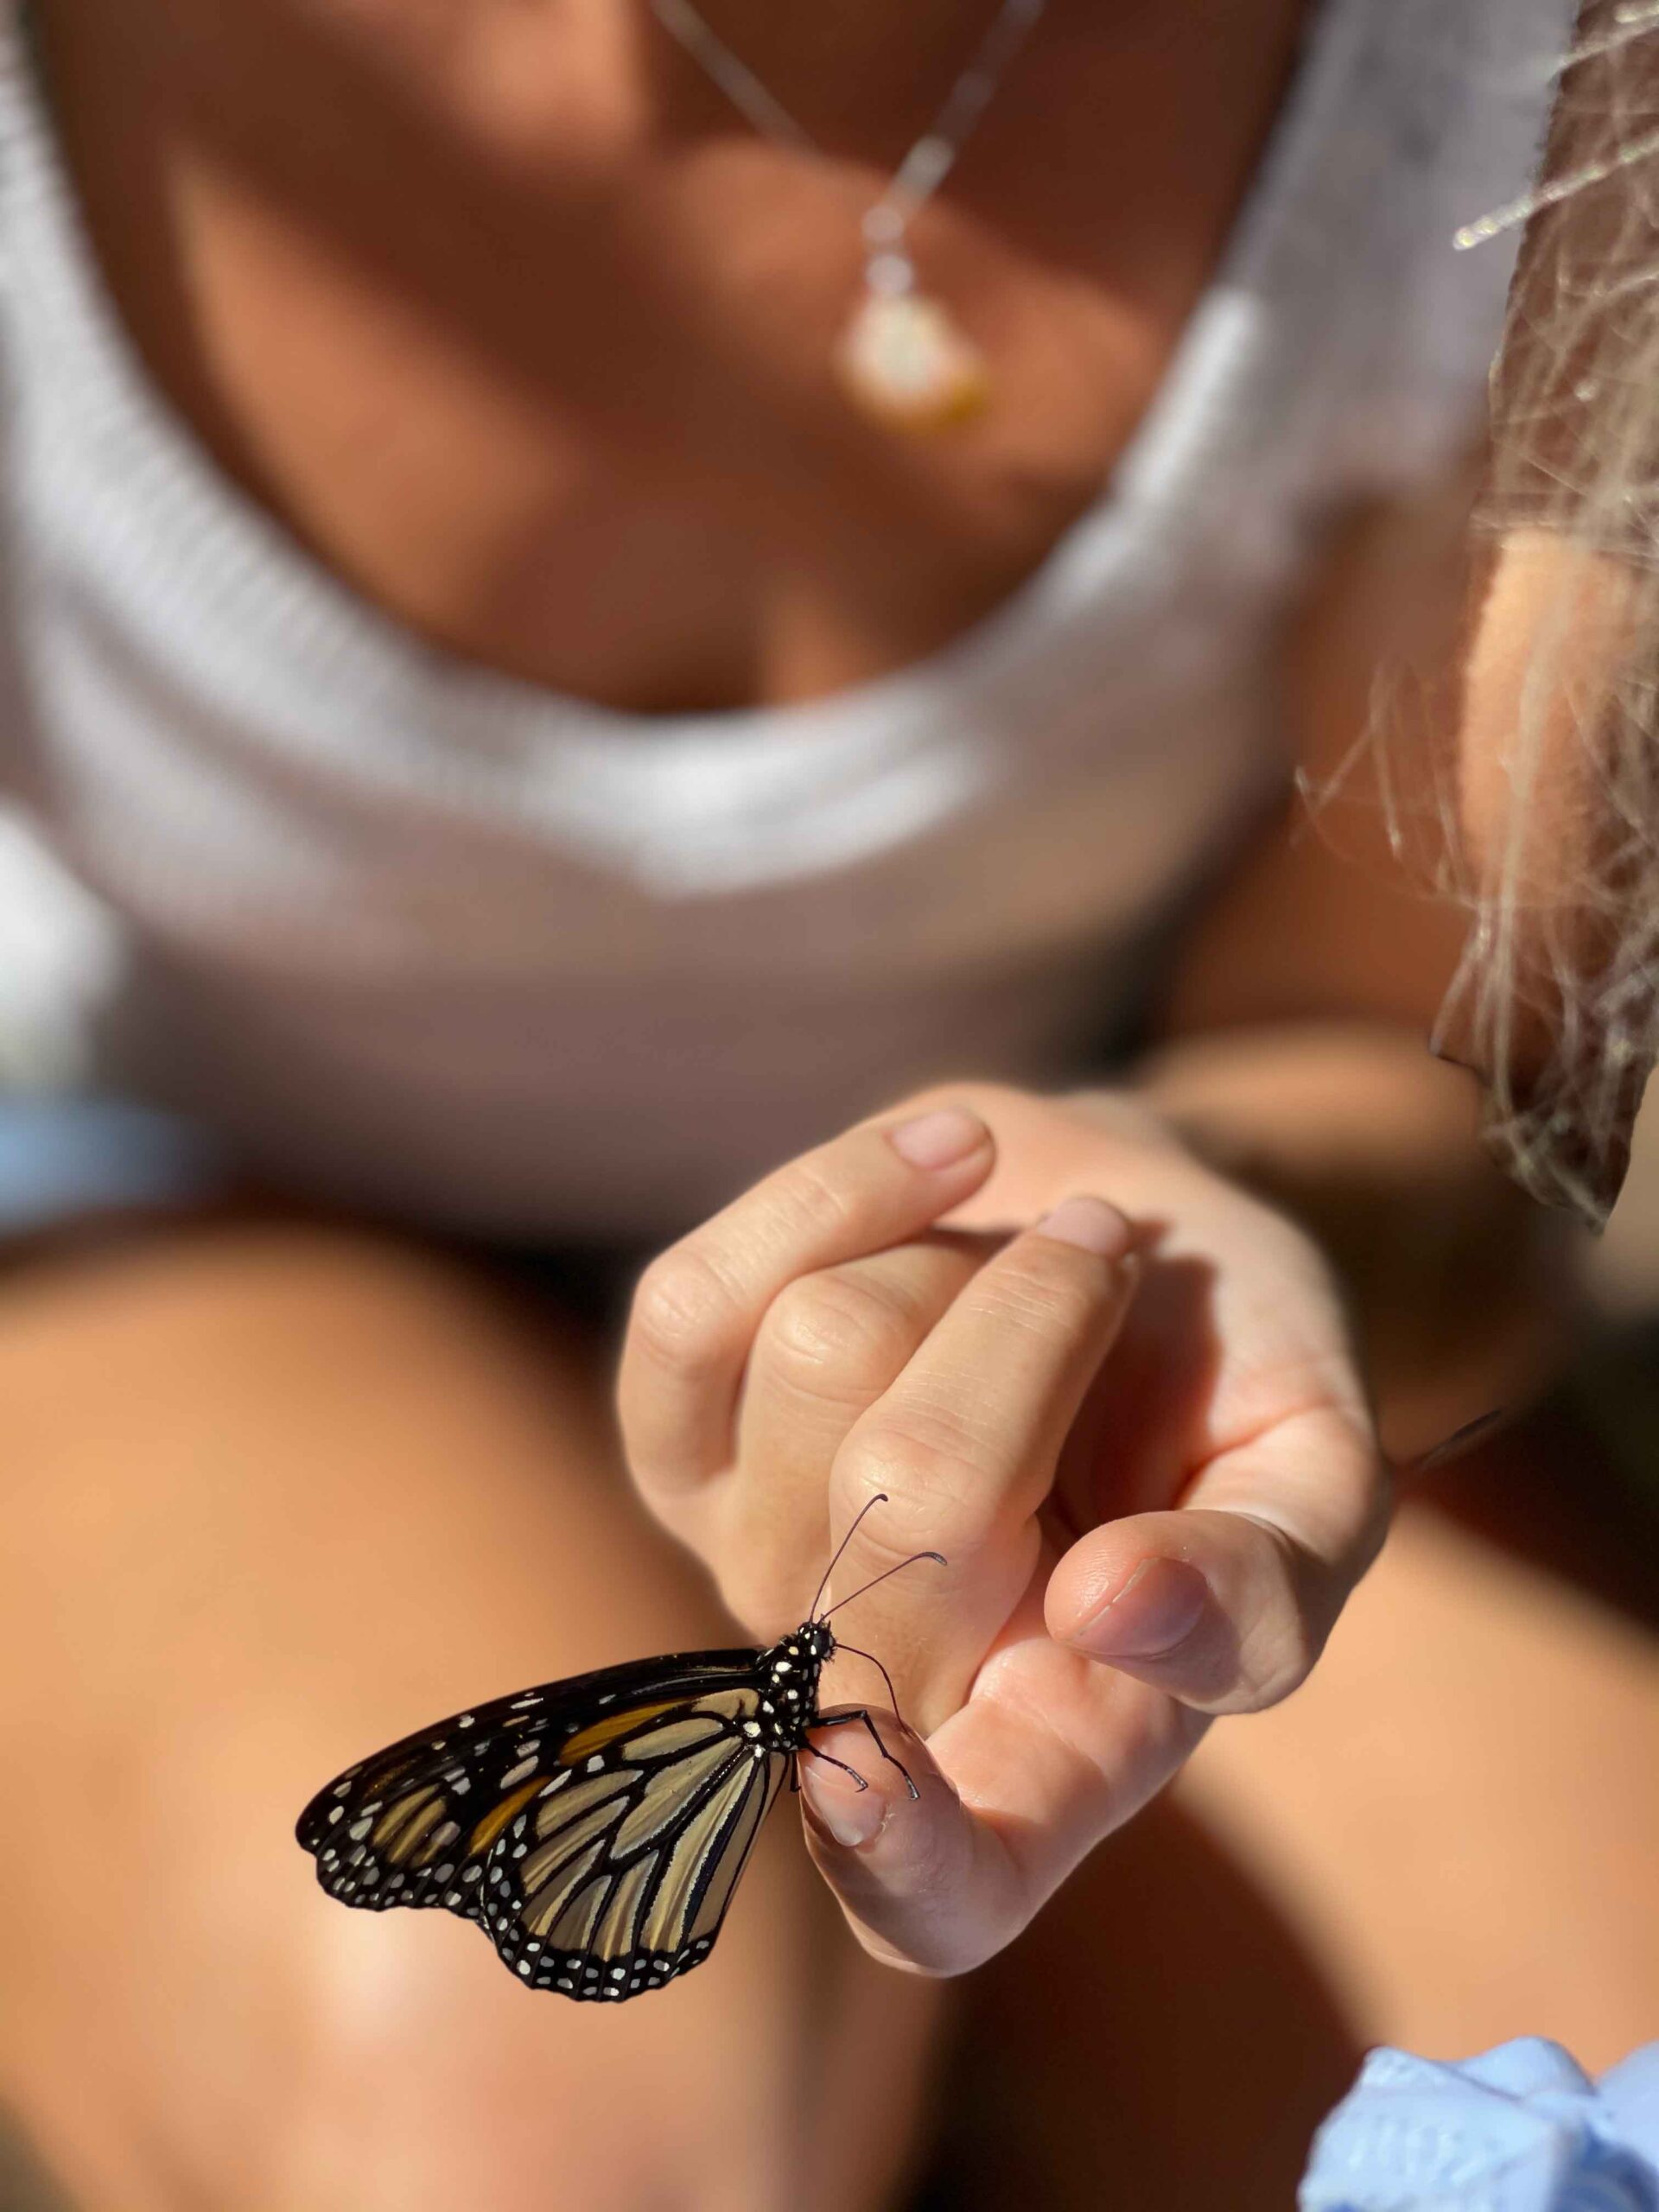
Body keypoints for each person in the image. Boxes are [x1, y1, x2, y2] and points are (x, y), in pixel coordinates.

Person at [0, 2, 1598, 2208]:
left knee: (1572, 2109)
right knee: (533, 2121)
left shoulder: (1536, 79)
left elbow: (1439, 1084)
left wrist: (1213, 1224)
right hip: (191, 1180)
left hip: (1075, 1266)